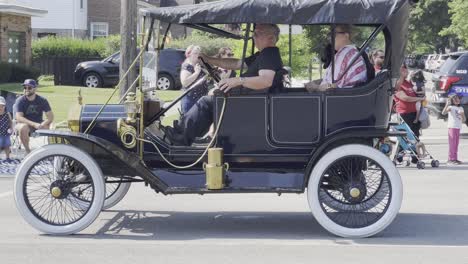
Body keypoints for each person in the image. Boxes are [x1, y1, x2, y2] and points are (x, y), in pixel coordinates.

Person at [164, 24, 283, 146]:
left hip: (249, 104)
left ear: (271, 38)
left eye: (257, 34)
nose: (253, 37)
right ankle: (190, 136)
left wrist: (237, 80)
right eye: (253, 34)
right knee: (212, 97)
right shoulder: (262, 55)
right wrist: (208, 59)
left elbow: (266, 80)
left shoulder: (270, 54)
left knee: (207, 102)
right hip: (249, 101)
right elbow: (236, 63)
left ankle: (178, 138)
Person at [305, 24, 368, 92]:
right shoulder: (352, 52)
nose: (329, 38)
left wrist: (315, 87)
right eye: (329, 34)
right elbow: (334, 81)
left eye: (333, 34)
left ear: (346, 36)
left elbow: (332, 86)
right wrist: (317, 82)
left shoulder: (344, 54)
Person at [15, 79, 54, 154]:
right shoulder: (20, 100)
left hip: (39, 124)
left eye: (29, 88)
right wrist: (34, 124)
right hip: (24, 124)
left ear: (35, 89)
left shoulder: (42, 100)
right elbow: (19, 118)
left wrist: (42, 124)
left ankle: (50, 152)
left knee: (52, 126)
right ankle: (28, 151)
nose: (26, 89)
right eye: (25, 87)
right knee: (23, 127)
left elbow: (50, 117)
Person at [394, 65, 425, 138]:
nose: (406, 70)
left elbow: (416, 91)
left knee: (415, 137)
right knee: (407, 138)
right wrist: (419, 99)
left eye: (405, 68)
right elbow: (405, 98)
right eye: (403, 69)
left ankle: (415, 149)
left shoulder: (408, 82)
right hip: (405, 115)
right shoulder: (397, 84)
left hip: (414, 114)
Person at [180, 45, 208, 114]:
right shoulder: (186, 66)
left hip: (200, 99)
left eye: (199, 53)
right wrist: (196, 73)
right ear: (188, 54)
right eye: (195, 53)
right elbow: (185, 82)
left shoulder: (198, 66)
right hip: (190, 100)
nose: (198, 55)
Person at [442, 94, 465, 165]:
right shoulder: (451, 107)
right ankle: (450, 159)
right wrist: (447, 104)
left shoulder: (460, 108)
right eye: (455, 99)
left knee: (456, 144)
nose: (457, 100)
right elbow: (443, 113)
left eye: (457, 98)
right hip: (452, 127)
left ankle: (455, 158)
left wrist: (462, 115)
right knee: (452, 144)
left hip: (458, 127)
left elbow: (464, 120)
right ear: (452, 101)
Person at [0, 96, 13, 161]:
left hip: (6, 133)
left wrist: (11, 128)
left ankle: (7, 157)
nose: (1, 107)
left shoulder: (7, 114)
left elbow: (10, 122)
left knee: (7, 145)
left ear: (5, 106)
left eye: (2, 106)